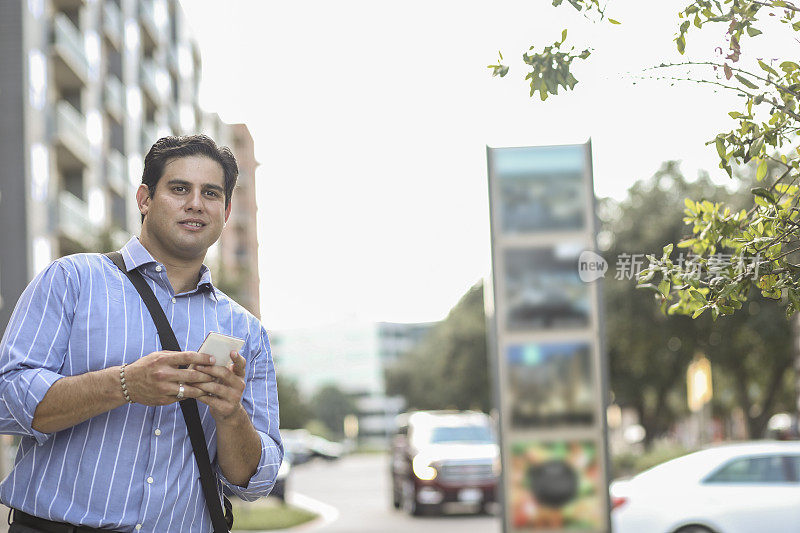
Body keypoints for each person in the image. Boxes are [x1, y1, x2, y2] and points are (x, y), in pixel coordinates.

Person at [0, 135, 283, 532]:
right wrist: (125, 384)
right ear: (145, 199)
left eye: (211, 193)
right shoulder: (71, 280)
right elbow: (7, 400)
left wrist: (231, 414)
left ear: (226, 210)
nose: (196, 203)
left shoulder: (246, 330)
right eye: (179, 188)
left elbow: (255, 480)